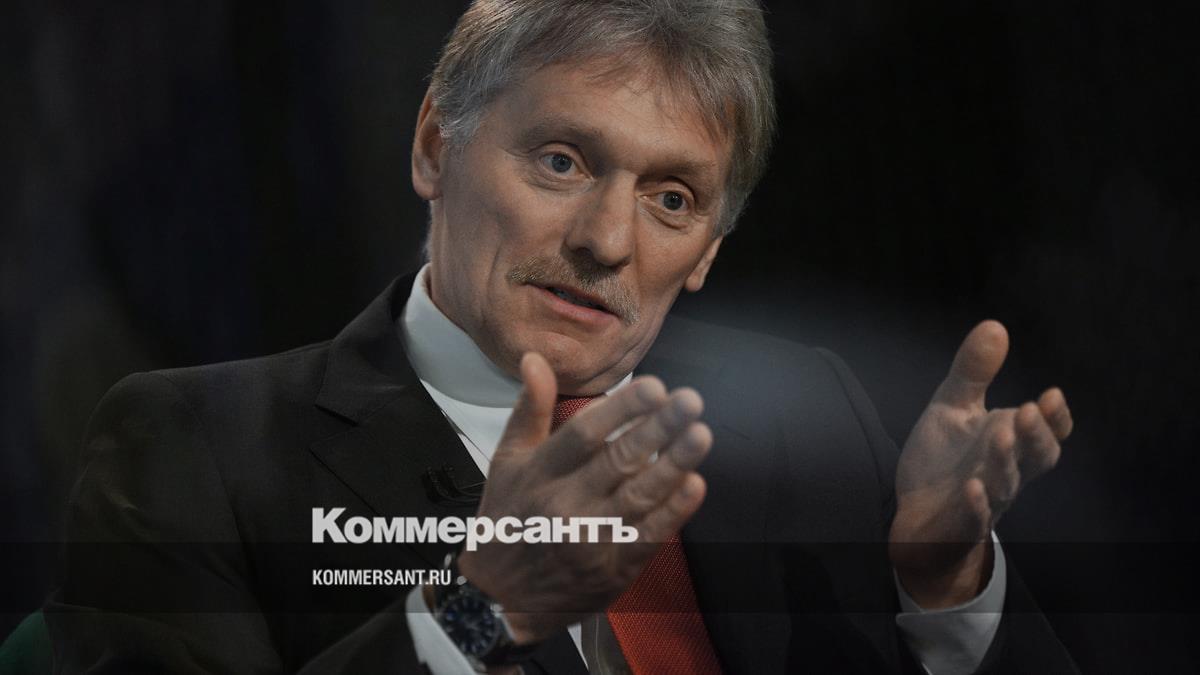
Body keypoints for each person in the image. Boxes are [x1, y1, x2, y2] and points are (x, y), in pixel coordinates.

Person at [46, 1, 1077, 673]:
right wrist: (476, 610)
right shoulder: (196, 447)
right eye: (562, 162)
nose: (606, 241)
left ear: (709, 252)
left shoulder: (816, 430)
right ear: (434, 147)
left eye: (673, 198)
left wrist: (947, 589)